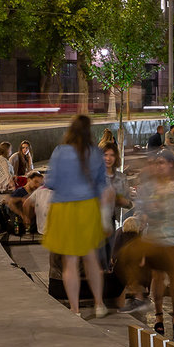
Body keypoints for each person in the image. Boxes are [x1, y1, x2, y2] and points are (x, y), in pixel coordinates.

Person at [43, 115, 112, 318]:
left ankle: (75, 310)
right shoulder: (95, 153)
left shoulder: (60, 152)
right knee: (91, 259)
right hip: (88, 208)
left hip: (64, 209)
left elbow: (51, 181)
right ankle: (99, 304)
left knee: (70, 262)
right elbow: (102, 184)